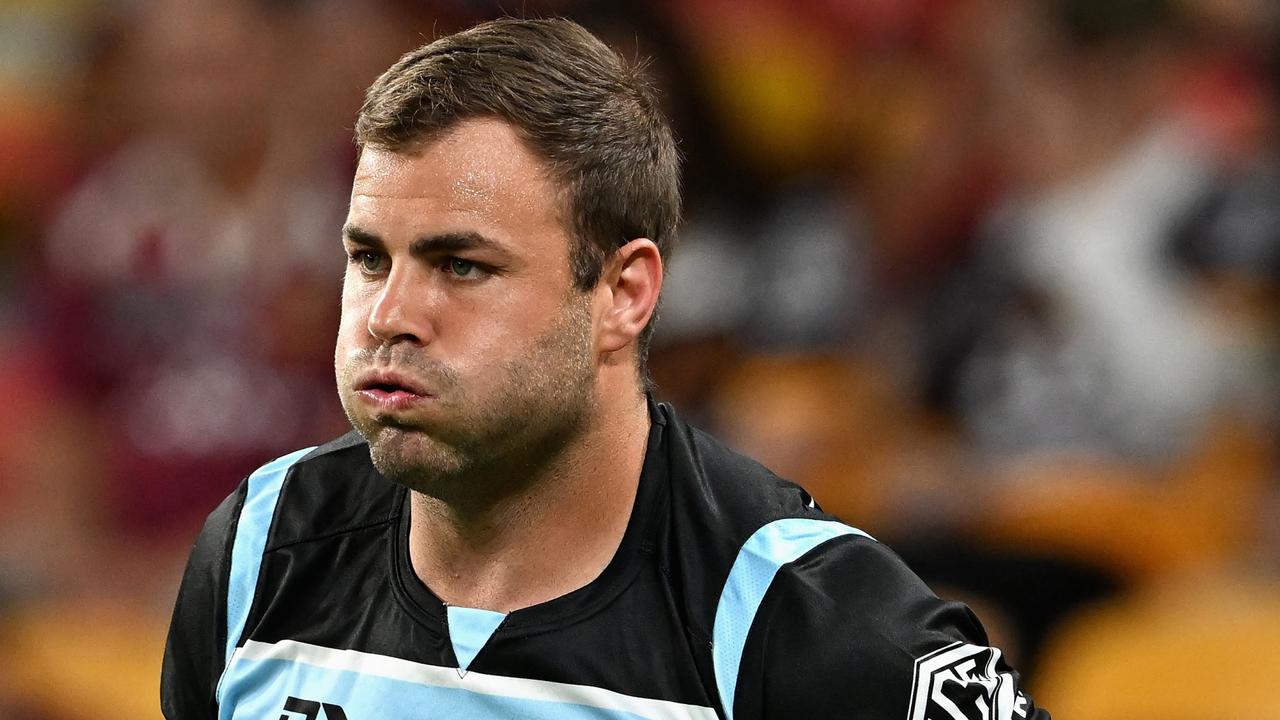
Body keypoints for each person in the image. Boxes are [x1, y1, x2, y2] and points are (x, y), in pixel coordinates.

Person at [161, 17, 1049, 720]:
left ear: (624, 293)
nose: (390, 316)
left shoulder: (798, 614)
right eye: (368, 258)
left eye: (463, 266)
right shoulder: (257, 549)